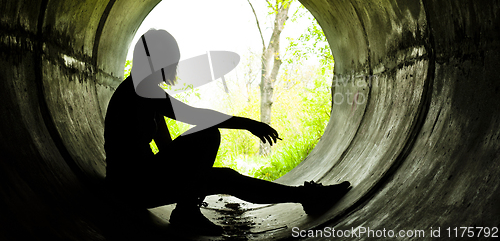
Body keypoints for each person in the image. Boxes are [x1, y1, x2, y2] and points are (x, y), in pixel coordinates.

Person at [104, 29, 351, 235]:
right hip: (132, 187)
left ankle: (305, 196)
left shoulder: (145, 90)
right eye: (170, 58)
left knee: (226, 177)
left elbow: (167, 150)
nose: (174, 64)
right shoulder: (141, 88)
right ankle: (187, 212)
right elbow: (194, 116)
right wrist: (249, 123)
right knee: (209, 133)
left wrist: (199, 179)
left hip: (141, 182)